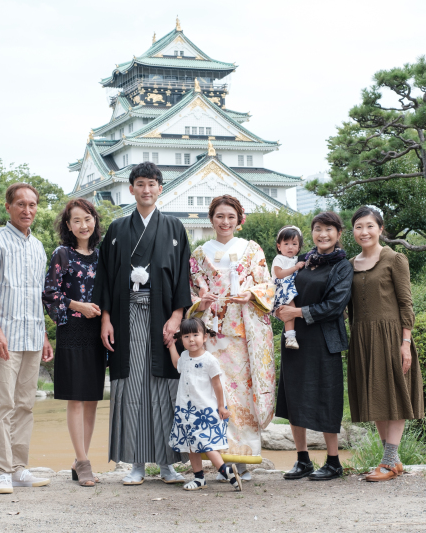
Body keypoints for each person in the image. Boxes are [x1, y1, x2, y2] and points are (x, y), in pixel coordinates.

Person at [94, 161, 192, 486]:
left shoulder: (175, 228)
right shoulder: (118, 229)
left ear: (160, 188)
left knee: (166, 389)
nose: (146, 189)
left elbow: (182, 277)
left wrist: (178, 316)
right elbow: (106, 277)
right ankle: (136, 463)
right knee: (133, 388)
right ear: (132, 188)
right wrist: (106, 318)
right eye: (140, 184)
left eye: (152, 184)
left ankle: (167, 464)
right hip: (126, 317)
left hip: (163, 317)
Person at [0, 183, 54, 495]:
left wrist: (45, 335)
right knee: (3, 404)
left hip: (31, 335)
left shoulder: (39, 247)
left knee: (25, 406)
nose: (27, 210)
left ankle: (20, 469)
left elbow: (37, 296)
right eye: (20, 204)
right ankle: (2, 471)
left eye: (32, 205)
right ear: (8, 207)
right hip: (4, 336)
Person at [187, 194, 276, 481]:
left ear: (239, 220)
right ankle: (219, 460)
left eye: (230, 217)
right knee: (213, 394)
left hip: (242, 335)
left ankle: (244, 460)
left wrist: (251, 294)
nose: (225, 222)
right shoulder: (199, 254)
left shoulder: (252, 250)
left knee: (240, 395)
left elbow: (267, 285)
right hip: (211, 336)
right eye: (219, 216)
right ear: (211, 219)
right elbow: (191, 291)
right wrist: (201, 301)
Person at [346, 206, 424, 482]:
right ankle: (391, 461)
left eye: (369, 226)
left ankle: (389, 461)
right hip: (362, 338)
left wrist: (406, 342)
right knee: (375, 397)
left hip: (391, 336)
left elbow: (406, 303)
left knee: (394, 395)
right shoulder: (350, 264)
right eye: (358, 226)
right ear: (353, 231)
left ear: (380, 229)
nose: (364, 231)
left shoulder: (394, 258)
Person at [274, 211, 353, 481]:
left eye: (329, 229)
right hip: (296, 339)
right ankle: (302, 459)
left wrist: (295, 313)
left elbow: (334, 306)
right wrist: (279, 309)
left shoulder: (342, 266)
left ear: (339, 234)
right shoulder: (303, 261)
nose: (323, 234)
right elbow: (283, 289)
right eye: (318, 228)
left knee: (327, 397)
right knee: (295, 397)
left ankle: (333, 462)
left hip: (325, 339)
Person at [42, 198, 104, 487]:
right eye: (77, 220)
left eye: (88, 218)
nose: (83, 225)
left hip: (97, 333)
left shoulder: (103, 255)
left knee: (92, 398)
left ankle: (82, 459)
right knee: (76, 398)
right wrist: (78, 306)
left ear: (95, 220)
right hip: (71, 330)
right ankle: (82, 461)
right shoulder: (62, 254)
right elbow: (50, 293)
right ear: (68, 225)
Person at [167, 318, 242, 492]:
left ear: (205, 337)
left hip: (204, 411)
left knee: (207, 445)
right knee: (191, 445)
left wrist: (221, 407)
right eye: (186, 336)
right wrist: (171, 345)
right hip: (185, 410)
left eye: (195, 335)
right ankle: (199, 478)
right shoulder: (184, 357)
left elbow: (217, 385)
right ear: (181, 340)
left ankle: (226, 470)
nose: (191, 339)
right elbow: (177, 364)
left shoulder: (209, 360)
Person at [271, 226, 306, 350]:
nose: (290, 247)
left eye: (294, 244)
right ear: (279, 246)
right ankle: (290, 337)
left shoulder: (295, 259)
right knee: (290, 310)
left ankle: (291, 336)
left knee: (291, 310)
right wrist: (296, 268)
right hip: (282, 288)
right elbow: (279, 274)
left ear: (299, 247)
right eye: (286, 243)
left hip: (289, 287)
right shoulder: (279, 258)